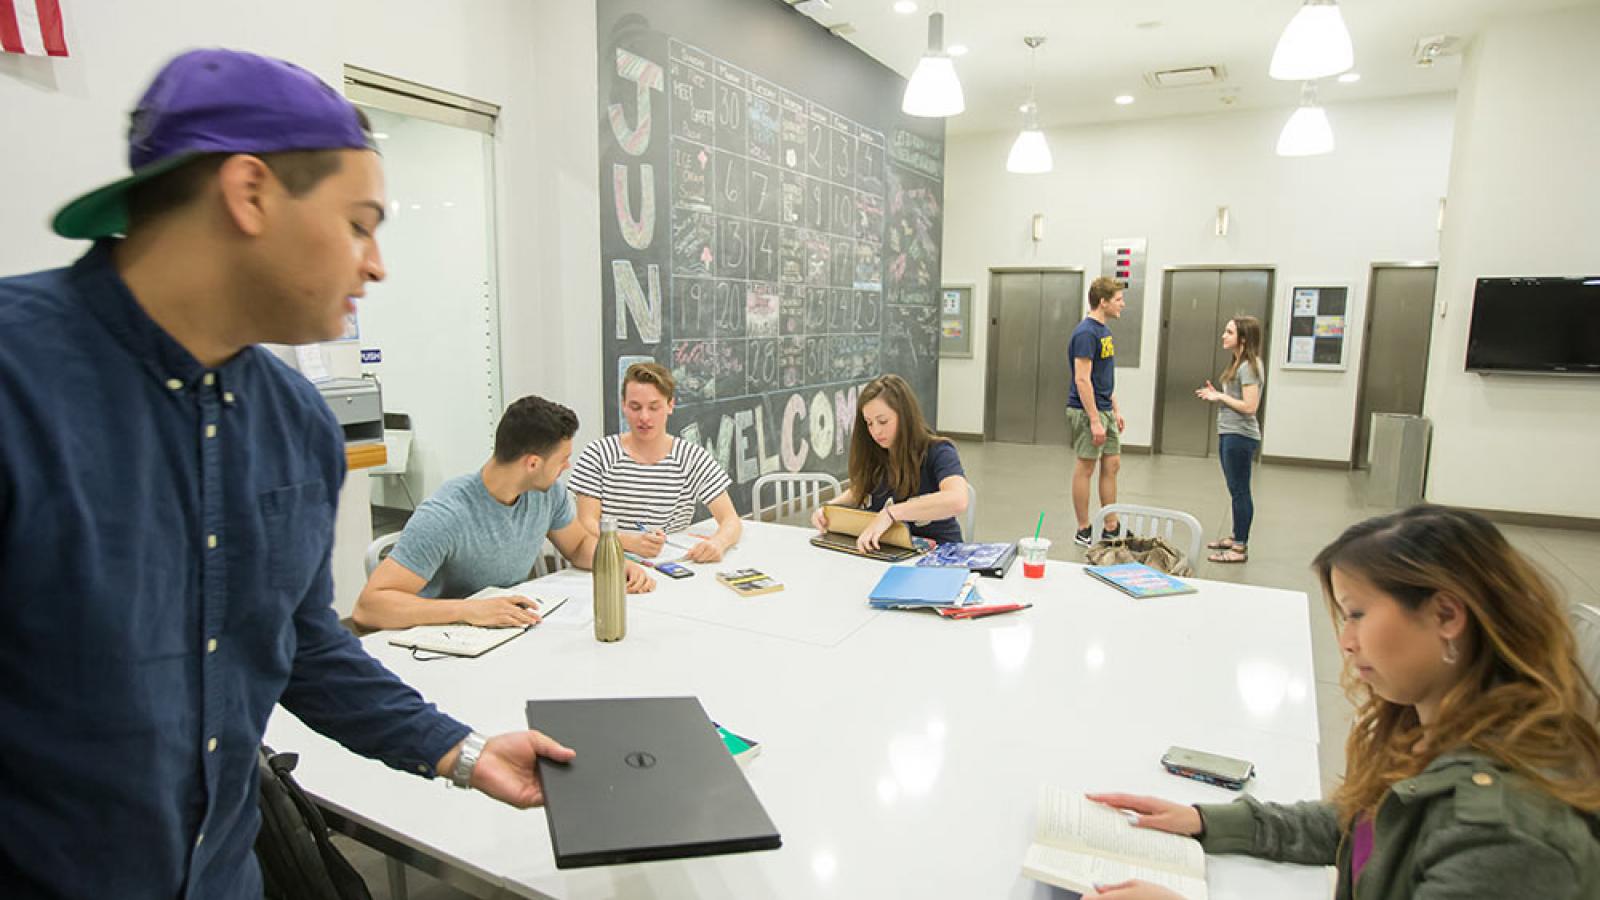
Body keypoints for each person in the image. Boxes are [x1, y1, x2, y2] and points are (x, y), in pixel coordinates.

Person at [0, 49, 579, 897]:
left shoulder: (296, 423)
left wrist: (460, 751)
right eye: (359, 223)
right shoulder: (20, 381)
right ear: (250, 194)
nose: (376, 263)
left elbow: (305, 644)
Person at [1082, 506, 1600, 899]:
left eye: (1356, 614)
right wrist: (1205, 821)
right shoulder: (1439, 731)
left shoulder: (1507, 838)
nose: (1347, 641)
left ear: (1446, 615)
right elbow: (1365, 820)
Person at [353, 395, 656, 631]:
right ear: (533, 463)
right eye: (563, 459)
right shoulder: (446, 515)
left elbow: (577, 546)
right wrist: (467, 610)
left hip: (512, 626)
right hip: (452, 640)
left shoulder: (548, 493)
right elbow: (369, 608)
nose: (568, 466)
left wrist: (615, 561)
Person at [568, 362, 742, 563]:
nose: (644, 417)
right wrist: (629, 542)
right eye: (635, 407)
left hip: (673, 564)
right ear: (623, 404)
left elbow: (730, 520)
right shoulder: (598, 454)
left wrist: (718, 544)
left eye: (654, 407)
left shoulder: (692, 457)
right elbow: (586, 523)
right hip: (609, 563)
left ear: (670, 405)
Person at [809, 373, 969, 551]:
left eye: (883, 421)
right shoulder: (877, 453)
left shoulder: (938, 451)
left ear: (905, 416)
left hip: (939, 556)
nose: (876, 431)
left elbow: (957, 500)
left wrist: (891, 514)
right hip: (890, 551)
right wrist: (830, 509)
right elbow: (859, 491)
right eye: (869, 423)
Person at [1194, 315, 1264, 564]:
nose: (1224, 336)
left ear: (1243, 339)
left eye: (1229, 332)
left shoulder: (1249, 367)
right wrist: (1218, 394)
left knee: (1240, 491)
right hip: (1229, 432)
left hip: (1240, 436)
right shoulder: (1237, 364)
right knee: (1235, 489)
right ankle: (1237, 536)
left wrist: (1220, 399)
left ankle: (1239, 547)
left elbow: (1250, 406)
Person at [1067, 276, 1127, 547]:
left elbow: (1103, 376)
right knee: (1086, 467)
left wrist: (1114, 409)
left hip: (1104, 408)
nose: (1122, 305)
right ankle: (1083, 528)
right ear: (1102, 302)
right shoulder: (1086, 333)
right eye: (1118, 300)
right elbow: (1082, 379)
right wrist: (1094, 420)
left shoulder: (1104, 332)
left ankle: (1111, 525)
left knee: (1112, 465)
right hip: (1086, 411)